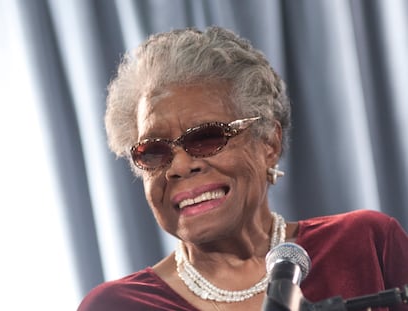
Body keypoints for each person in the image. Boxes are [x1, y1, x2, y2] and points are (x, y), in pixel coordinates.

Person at [77, 26, 408, 311]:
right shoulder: (116, 305)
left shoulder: (365, 244)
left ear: (269, 143)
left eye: (207, 137)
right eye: (154, 152)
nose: (179, 166)